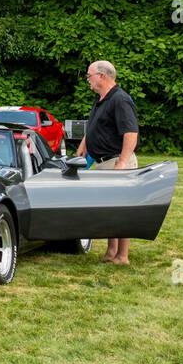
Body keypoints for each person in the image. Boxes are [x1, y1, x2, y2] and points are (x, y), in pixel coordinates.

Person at [75, 60, 139, 265]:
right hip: (103, 163)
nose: (88, 80)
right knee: (110, 209)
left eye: (89, 75)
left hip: (116, 162)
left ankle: (123, 256)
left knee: (122, 209)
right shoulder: (101, 99)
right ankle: (111, 252)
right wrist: (84, 144)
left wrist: (122, 162)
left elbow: (131, 133)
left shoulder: (120, 100)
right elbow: (95, 125)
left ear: (101, 76)